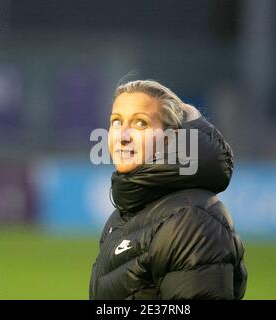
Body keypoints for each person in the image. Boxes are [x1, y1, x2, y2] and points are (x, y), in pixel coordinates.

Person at [89, 80, 247, 300]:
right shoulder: (123, 216)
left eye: (140, 123)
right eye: (116, 122)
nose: (122, 136)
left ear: (170, 138)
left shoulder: (192, 221)